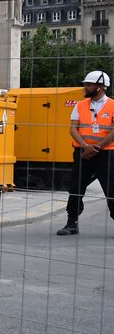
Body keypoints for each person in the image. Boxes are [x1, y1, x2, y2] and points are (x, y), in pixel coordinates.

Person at [57, 70, 114, 236]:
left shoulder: (112, 105)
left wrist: (97, 147)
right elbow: (72, 128)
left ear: (101, 87)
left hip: (106, 154)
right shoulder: (80, 105)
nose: (85, 87)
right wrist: (85, 146)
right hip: (82, 153)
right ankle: (71, 223)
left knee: (111, 189)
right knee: (76, 187)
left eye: (89, 84)